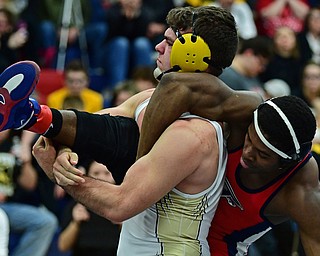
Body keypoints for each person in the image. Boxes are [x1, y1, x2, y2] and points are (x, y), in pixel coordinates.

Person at [0, 129, 58, 256]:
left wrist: (24, 161)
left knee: (46, 222)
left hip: (9, 206)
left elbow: (30, 185)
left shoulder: (15, 143)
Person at [58, 160, 120, 256]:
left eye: (107, 173)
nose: (101, 178)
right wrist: (76, 223)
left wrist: (122, 223)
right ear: (87, 177)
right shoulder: (77, 206)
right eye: (96, 173)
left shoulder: (124, 206)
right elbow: (63, 246)